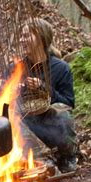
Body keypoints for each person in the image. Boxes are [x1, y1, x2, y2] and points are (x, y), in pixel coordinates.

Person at [17, 18, 77, 172]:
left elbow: (69, 102)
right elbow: (7, 99)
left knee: (62, 112)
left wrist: (43, 87)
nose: (22, 40)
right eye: (22, 36)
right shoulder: (19, 68)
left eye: (26, 36)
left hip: (51, 121)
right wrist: (17, 90)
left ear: (41, 39)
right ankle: (37, 160)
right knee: (9, 116)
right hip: (27, 121)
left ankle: (67, 156)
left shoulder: (61, 68)